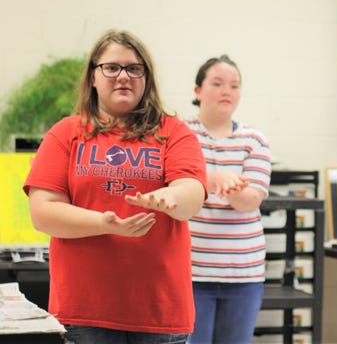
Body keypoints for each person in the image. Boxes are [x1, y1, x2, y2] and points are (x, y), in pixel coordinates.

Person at [23, 29, 208, 344]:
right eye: (111, 67)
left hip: (159, 313)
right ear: (93, 76)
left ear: (146, 78)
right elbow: (43, 214)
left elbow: (192, 194)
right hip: (85, 312)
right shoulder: (65, 133)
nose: (124, 76)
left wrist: (170, 196)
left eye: (134, 68)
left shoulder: (173, 132)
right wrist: (103, 223)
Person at [185, 55, 272, 344]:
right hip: (192, 272)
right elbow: (177, 184)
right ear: (197, 91)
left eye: (234, 85)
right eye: (217, 83)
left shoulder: (254, 140)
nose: (227, 91)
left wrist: (222, 184)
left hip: (243, 275)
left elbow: (250, 200)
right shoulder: (181, 135)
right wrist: (215, 178)